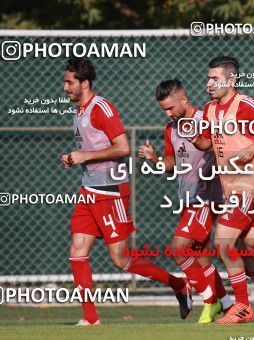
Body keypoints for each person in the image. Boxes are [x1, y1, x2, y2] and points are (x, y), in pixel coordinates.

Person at [61, 57, 191, 326]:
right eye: (65, 81)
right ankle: (91, 320)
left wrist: (85, 156)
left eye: (69, 82)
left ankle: (178, 284)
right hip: (88, 191)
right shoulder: (79, 111)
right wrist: (74, 158)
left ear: (85, 83)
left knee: (120, 259)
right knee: (77, 250)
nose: (65, 87)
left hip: (110, 191)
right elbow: (90, 150)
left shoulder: (101, 108)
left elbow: (123, 148)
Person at [189, 56, 254, 324]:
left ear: (231, 80)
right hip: (231, 189)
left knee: (223, 241)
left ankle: (242, 306)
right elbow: (207, 144)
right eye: (208, 78)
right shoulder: (210, 109)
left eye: (215, 78)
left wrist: (252, 148)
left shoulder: (246, 106)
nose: (209, 83)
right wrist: (196, 139)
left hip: (251, 187)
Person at [138, 79, 233, 323]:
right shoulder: (171, 129)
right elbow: (171, 165)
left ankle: (209, 299)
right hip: (187, 200)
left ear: (184, 99)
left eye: (171, 108)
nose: (168, 113)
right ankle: (227, 303)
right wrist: (154, 158)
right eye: (164, 110)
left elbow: (222, 150)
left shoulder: (206, 120)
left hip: (206, 198)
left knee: (179, 248)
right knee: (200, 257)